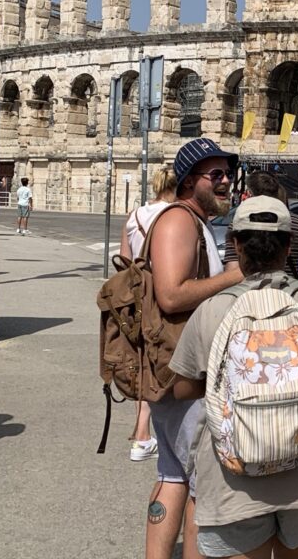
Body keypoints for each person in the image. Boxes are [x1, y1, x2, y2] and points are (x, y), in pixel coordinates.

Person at [170, 196, 298, 559]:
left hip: (234, 475)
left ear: (235, 245)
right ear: (287, 246)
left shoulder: (213, 309)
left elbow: (183, 388)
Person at [144, 138, 245, 559]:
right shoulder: (178, 221)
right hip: (184, 372)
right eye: (215, 175)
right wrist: (236, 277)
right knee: (203, 483)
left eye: (228, 174)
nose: (225, 183)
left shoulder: (196, 221)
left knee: (174, 475)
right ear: (189, 181)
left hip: (179, 371)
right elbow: (170, 295)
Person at [117, 166, 178, 464]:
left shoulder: (135, 214)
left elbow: (124, 260)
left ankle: (140, 434)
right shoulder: (176, 216)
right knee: (161, 363)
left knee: (142, 361)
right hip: (163, 296)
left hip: (136, 296)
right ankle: (146, 435)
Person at [238, 171, 298, 285]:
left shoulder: (241, 222)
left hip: (248, 293)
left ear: (251, 193)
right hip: (289, 290)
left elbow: (232, 269)